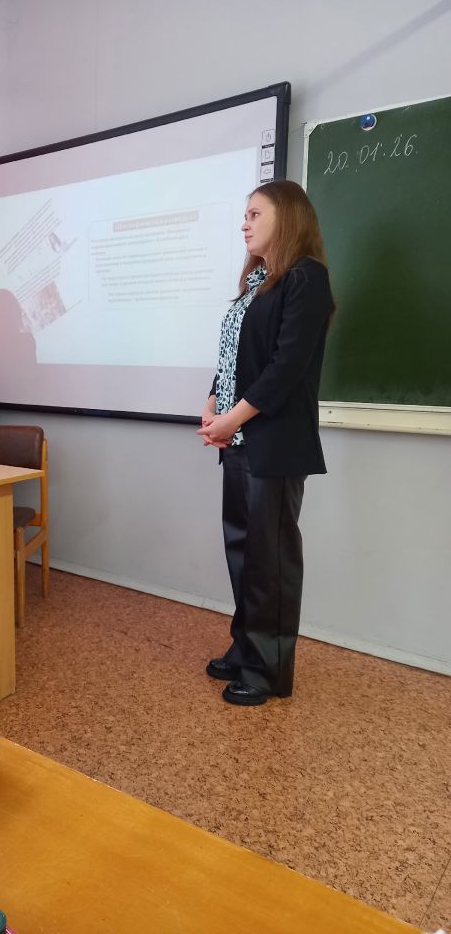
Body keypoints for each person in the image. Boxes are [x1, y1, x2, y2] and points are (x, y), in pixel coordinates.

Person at [197, 181, 334, 706]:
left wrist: (232, 418)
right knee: (243, 549)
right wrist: (213, 402)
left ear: (288, 217)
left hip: (274, 442)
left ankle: (268, 670)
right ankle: (246, 648)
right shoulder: (257, 280)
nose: (244, 223)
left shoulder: (306, 277)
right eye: (245, 214)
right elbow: (234, 353)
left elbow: (284, 367)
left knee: (270, 559)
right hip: (240, 439)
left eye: (255, 213)